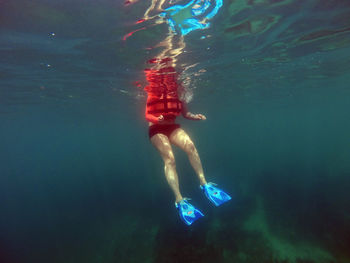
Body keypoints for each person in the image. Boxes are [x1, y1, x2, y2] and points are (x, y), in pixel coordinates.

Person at [144, 57, 231, 225]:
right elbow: (146, 114)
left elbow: (185, 114)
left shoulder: (178, 94)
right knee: (170, 159)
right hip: (156, 129)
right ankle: (179, 199)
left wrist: (195, 117)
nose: (173, 84)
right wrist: (156, 119)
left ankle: (204, 184)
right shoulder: (153, 91)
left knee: (191, 146)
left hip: (172, 127)